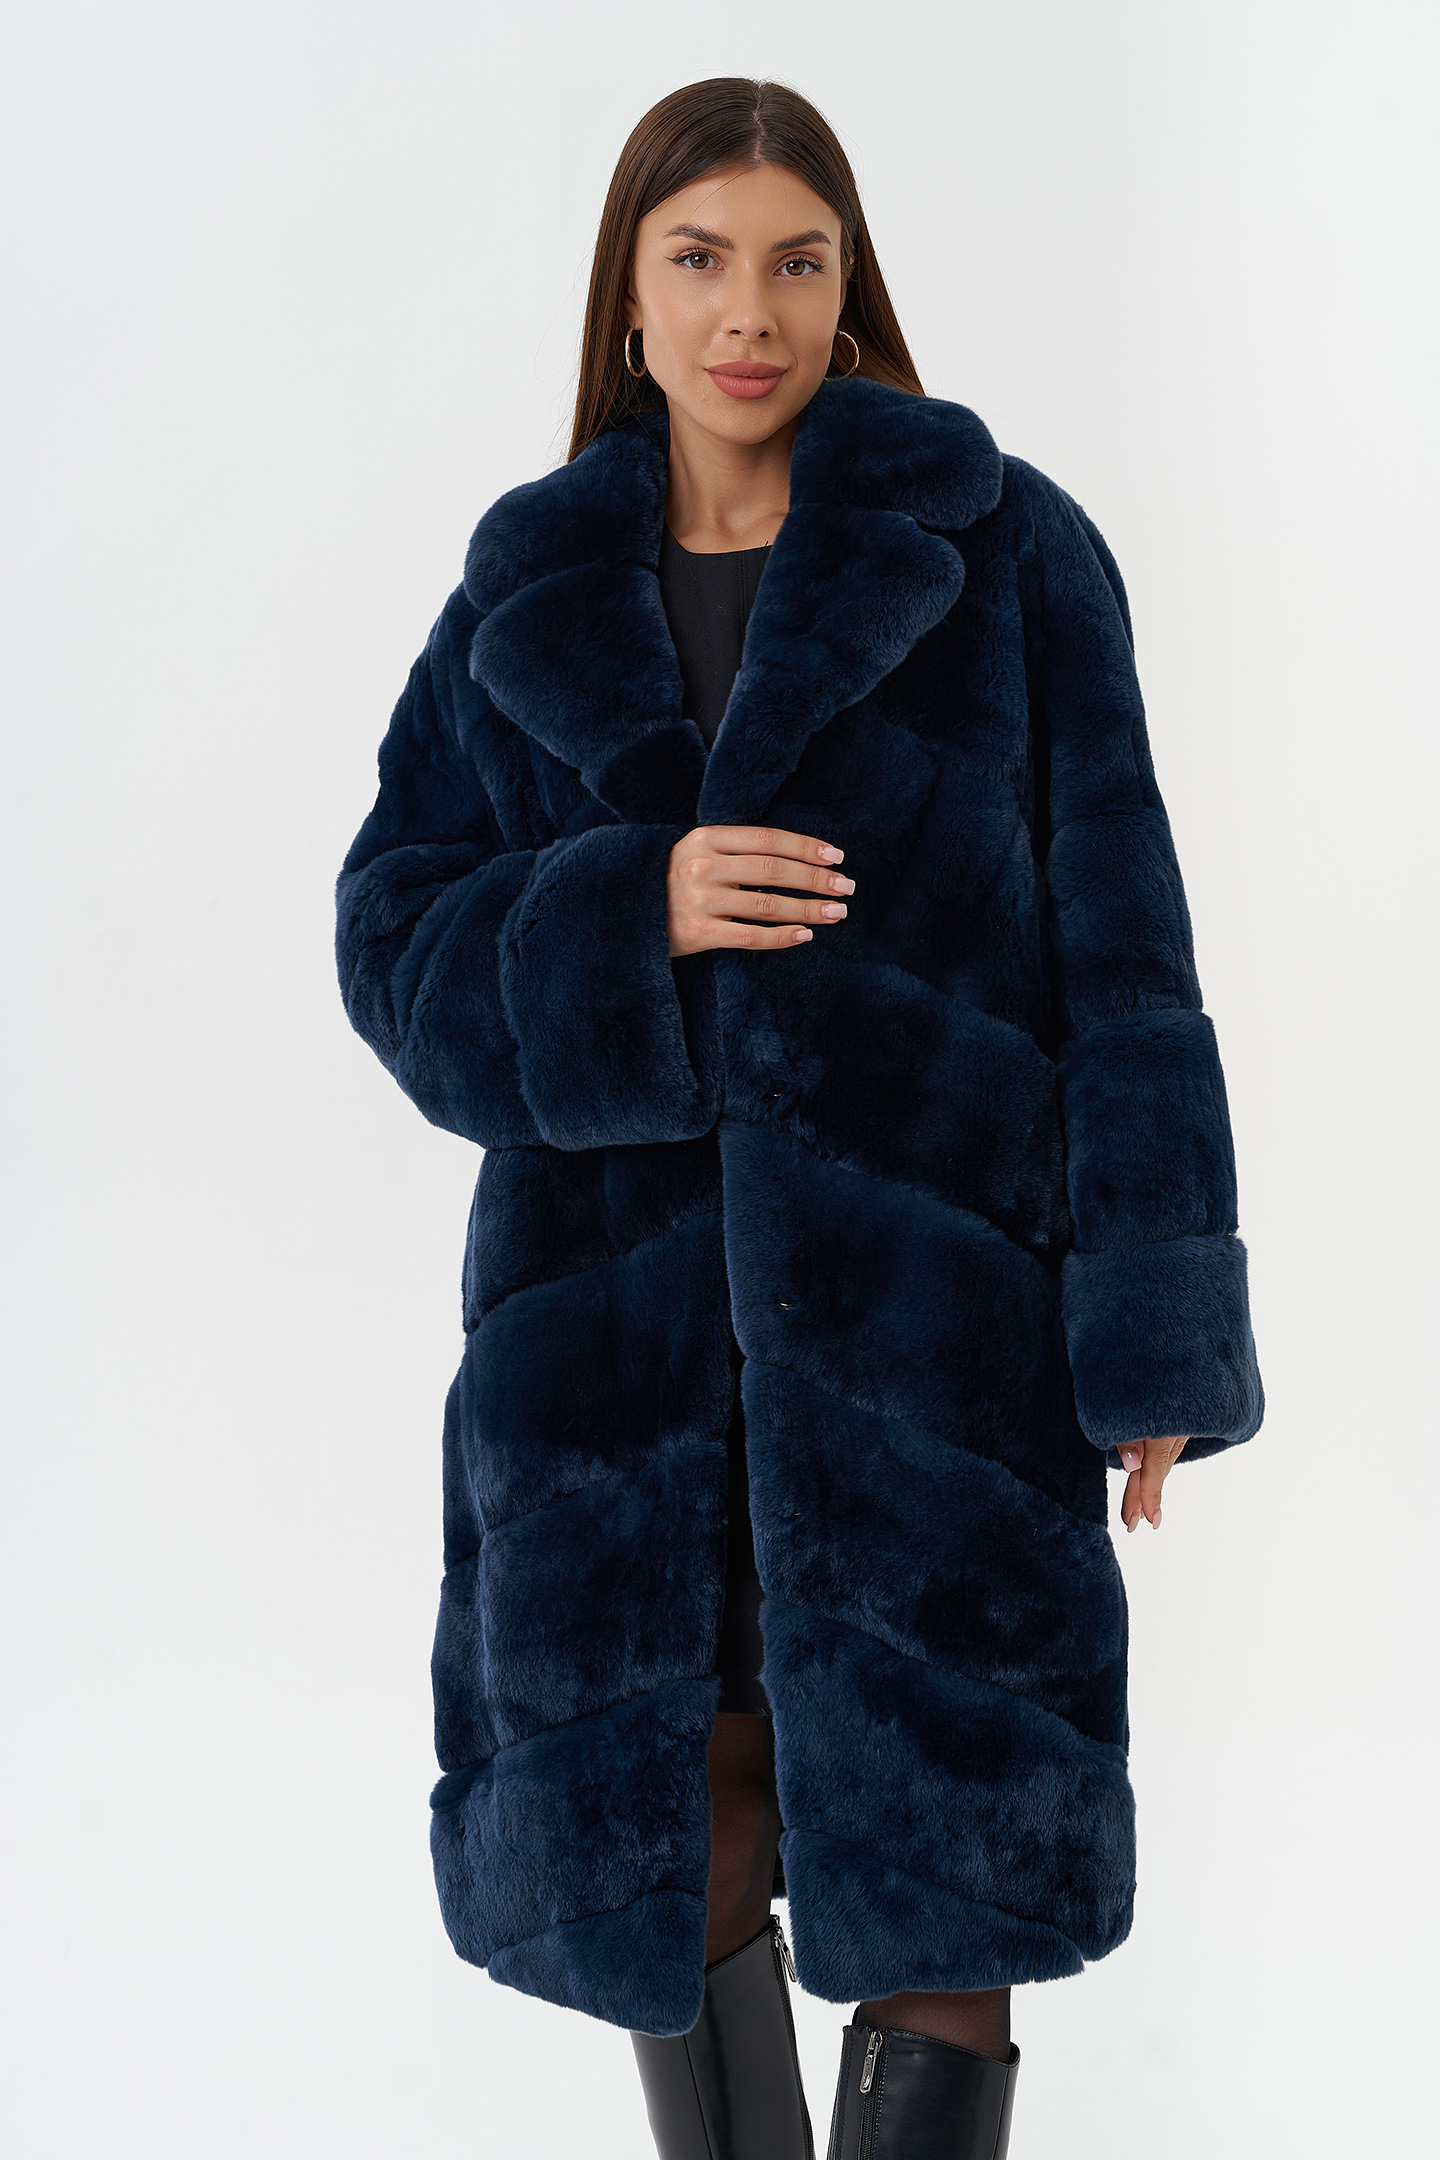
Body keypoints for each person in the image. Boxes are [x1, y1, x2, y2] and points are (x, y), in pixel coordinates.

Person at [335, 75, 1263, 2160]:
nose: (746, 310)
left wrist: (1153, 1341)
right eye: (698, 259)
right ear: (630, 294)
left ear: (850, 288)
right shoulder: (524, 598)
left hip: (936, 1345)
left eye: (793, 259)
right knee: (678, 1839)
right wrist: (629, 910)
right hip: (616, 1360)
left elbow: (1129, 964)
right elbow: (390, 948)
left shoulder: (1002, 551)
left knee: (952, 1864)